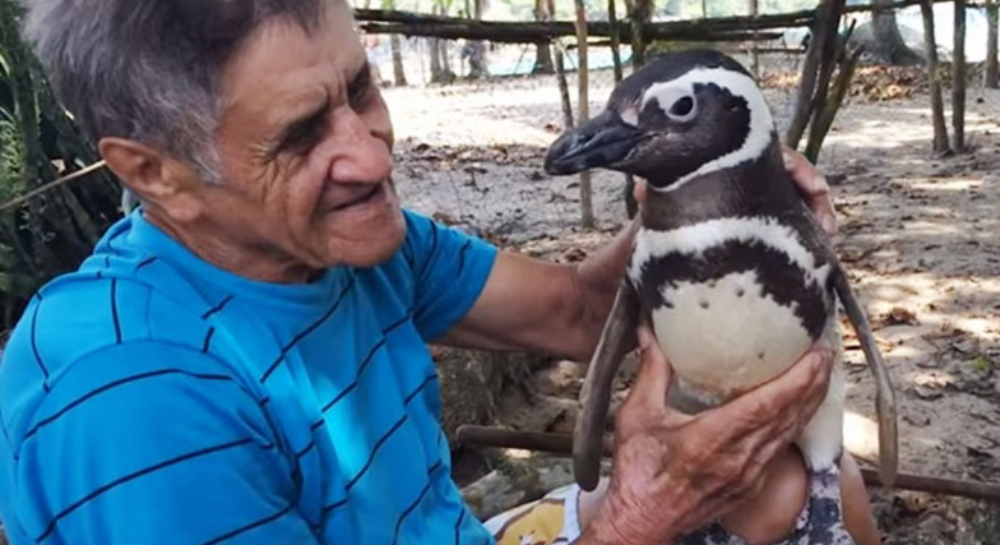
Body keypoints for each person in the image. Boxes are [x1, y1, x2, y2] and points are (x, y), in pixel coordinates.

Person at [0, 1, 876, 544]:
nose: (371, 156)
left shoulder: (350, 243)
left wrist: (719, 199)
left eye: (363, 90)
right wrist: (636, 520)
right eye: (303, 134)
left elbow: (575, 311)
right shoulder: (136, 399)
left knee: (811, 488)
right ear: (155, 172)